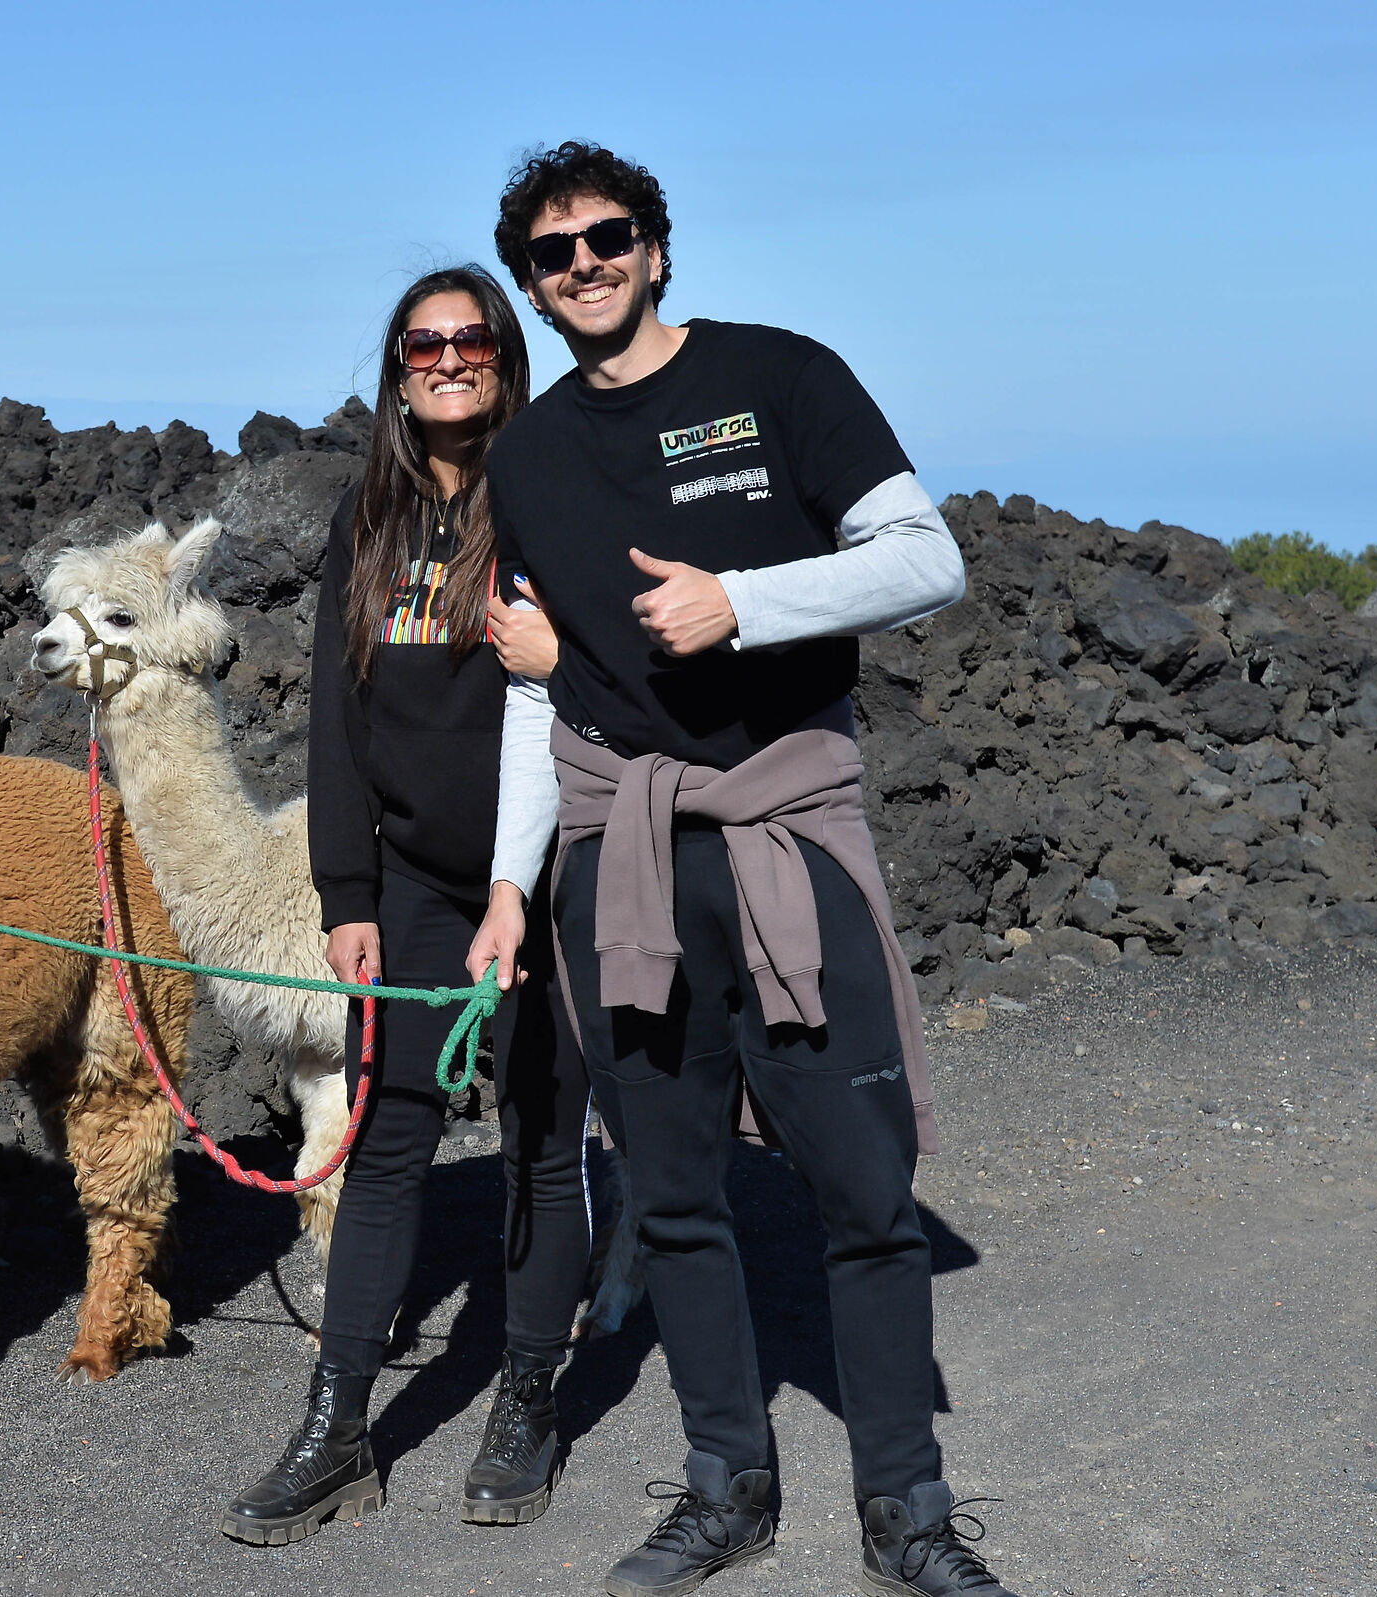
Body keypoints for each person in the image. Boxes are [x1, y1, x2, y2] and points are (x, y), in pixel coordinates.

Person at [464, 143, 1021, 1597]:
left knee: (863, 1189)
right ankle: (727, 1488)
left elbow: (926, 558)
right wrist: (518, 883)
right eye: (550, 253)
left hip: (784, 834)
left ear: (656, 247)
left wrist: (746, 605)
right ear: (530, 281)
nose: (580, 267)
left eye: (605, 238)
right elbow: (549, 691)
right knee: (673, 1188)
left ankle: (907, 1511)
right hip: (622, 855)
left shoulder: (781, 376)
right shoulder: (524, 459)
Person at [219, 265, 595, 1546]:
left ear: (504, 353)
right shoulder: (366, 514)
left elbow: (577, 693)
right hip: (417, 882)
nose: (447, 357)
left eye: (471, 337)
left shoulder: (551, 492)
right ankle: (337, 1425)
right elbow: (336, 716)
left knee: (543, 1132)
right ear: (397, 366)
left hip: (550, 879)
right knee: (388, 1140)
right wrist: (348, 890)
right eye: (422, 342)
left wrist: (525, 883)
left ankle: (529, 1390)